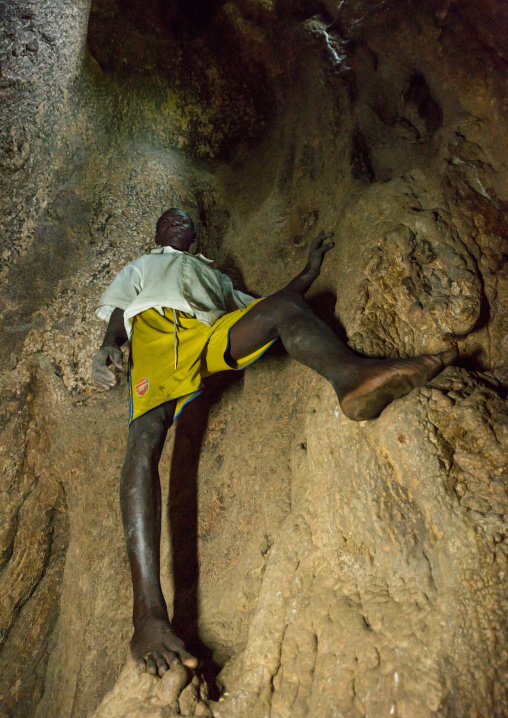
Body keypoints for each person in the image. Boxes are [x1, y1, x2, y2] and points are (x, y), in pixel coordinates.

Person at [92, 208, 456, 678]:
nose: (177, 222)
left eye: (184, 219)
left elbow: (261, 303)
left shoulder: (212, 276)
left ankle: (352, 377)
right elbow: (121, 310)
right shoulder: (143, 265)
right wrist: (108, 346)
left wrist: (307, 273)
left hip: (208, 332)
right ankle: (147, 614)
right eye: (168, 219)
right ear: (159, 232)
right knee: (144, 442)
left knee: (283, 311)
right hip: (158, 338)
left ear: (195, 233)